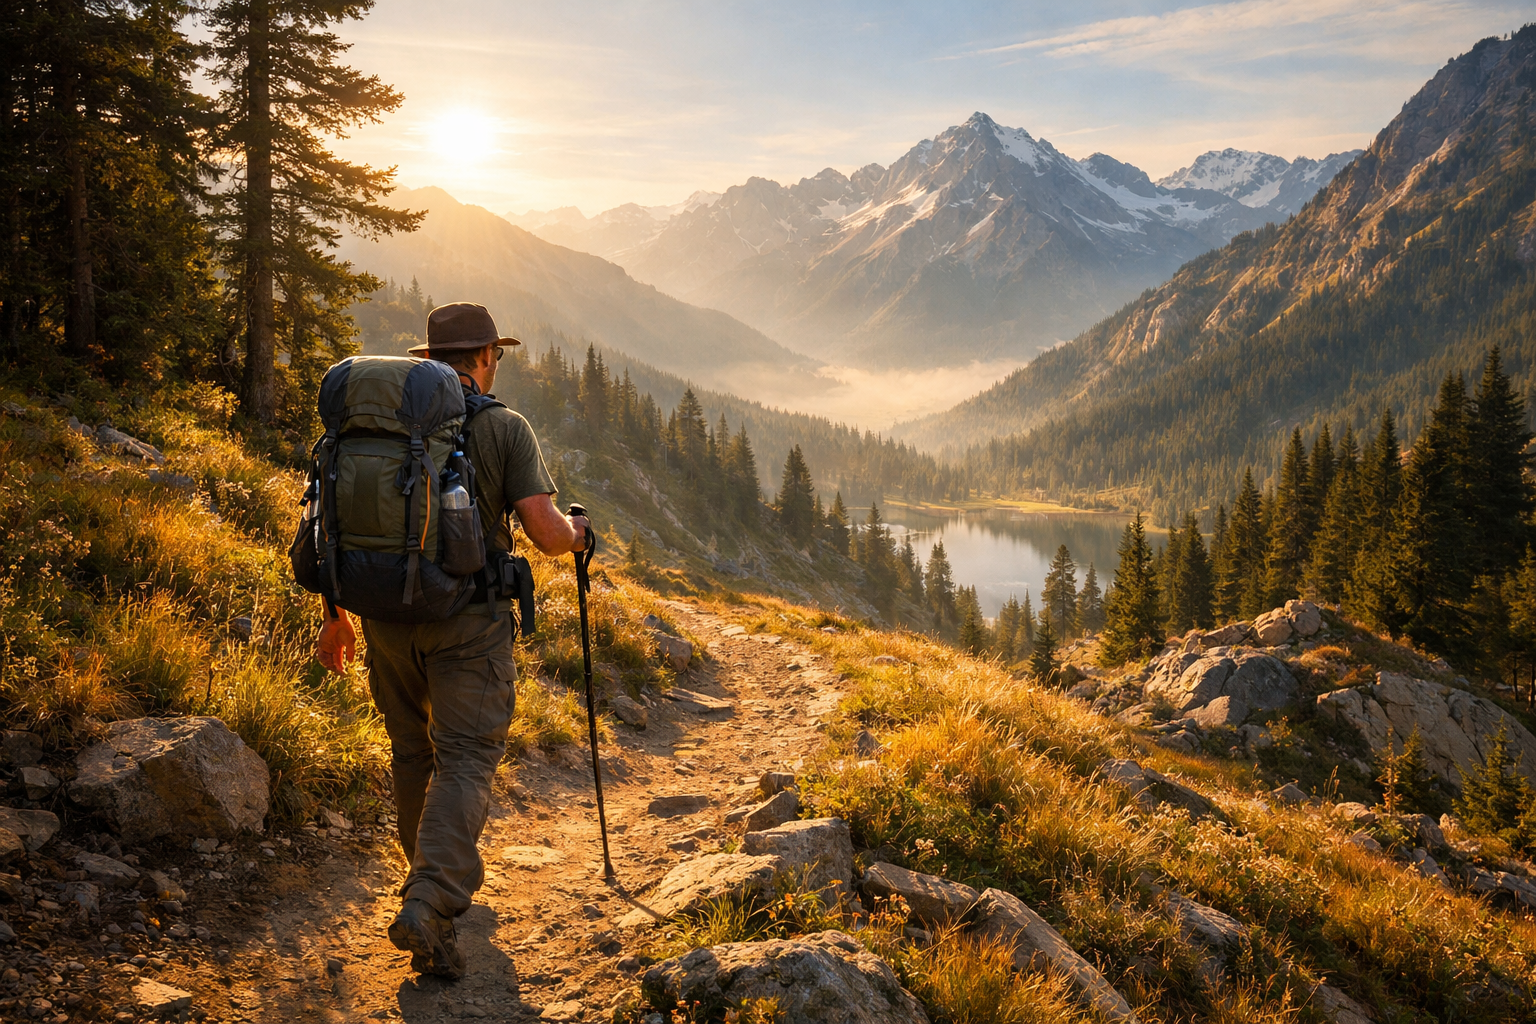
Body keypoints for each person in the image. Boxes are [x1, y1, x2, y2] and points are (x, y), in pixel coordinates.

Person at [314, 302, 588, 979]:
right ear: (487, 358)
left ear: (430, 359)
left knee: (413, 754)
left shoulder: (372, 425)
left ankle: (424, 882)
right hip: (468, 625)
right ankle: (431, 900)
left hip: (380, 615)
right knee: (465, 757)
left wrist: (334, 616)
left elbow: (327, 517)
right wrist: (582, 534)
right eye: (495, 355)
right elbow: (548, 536)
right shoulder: (503, 427)